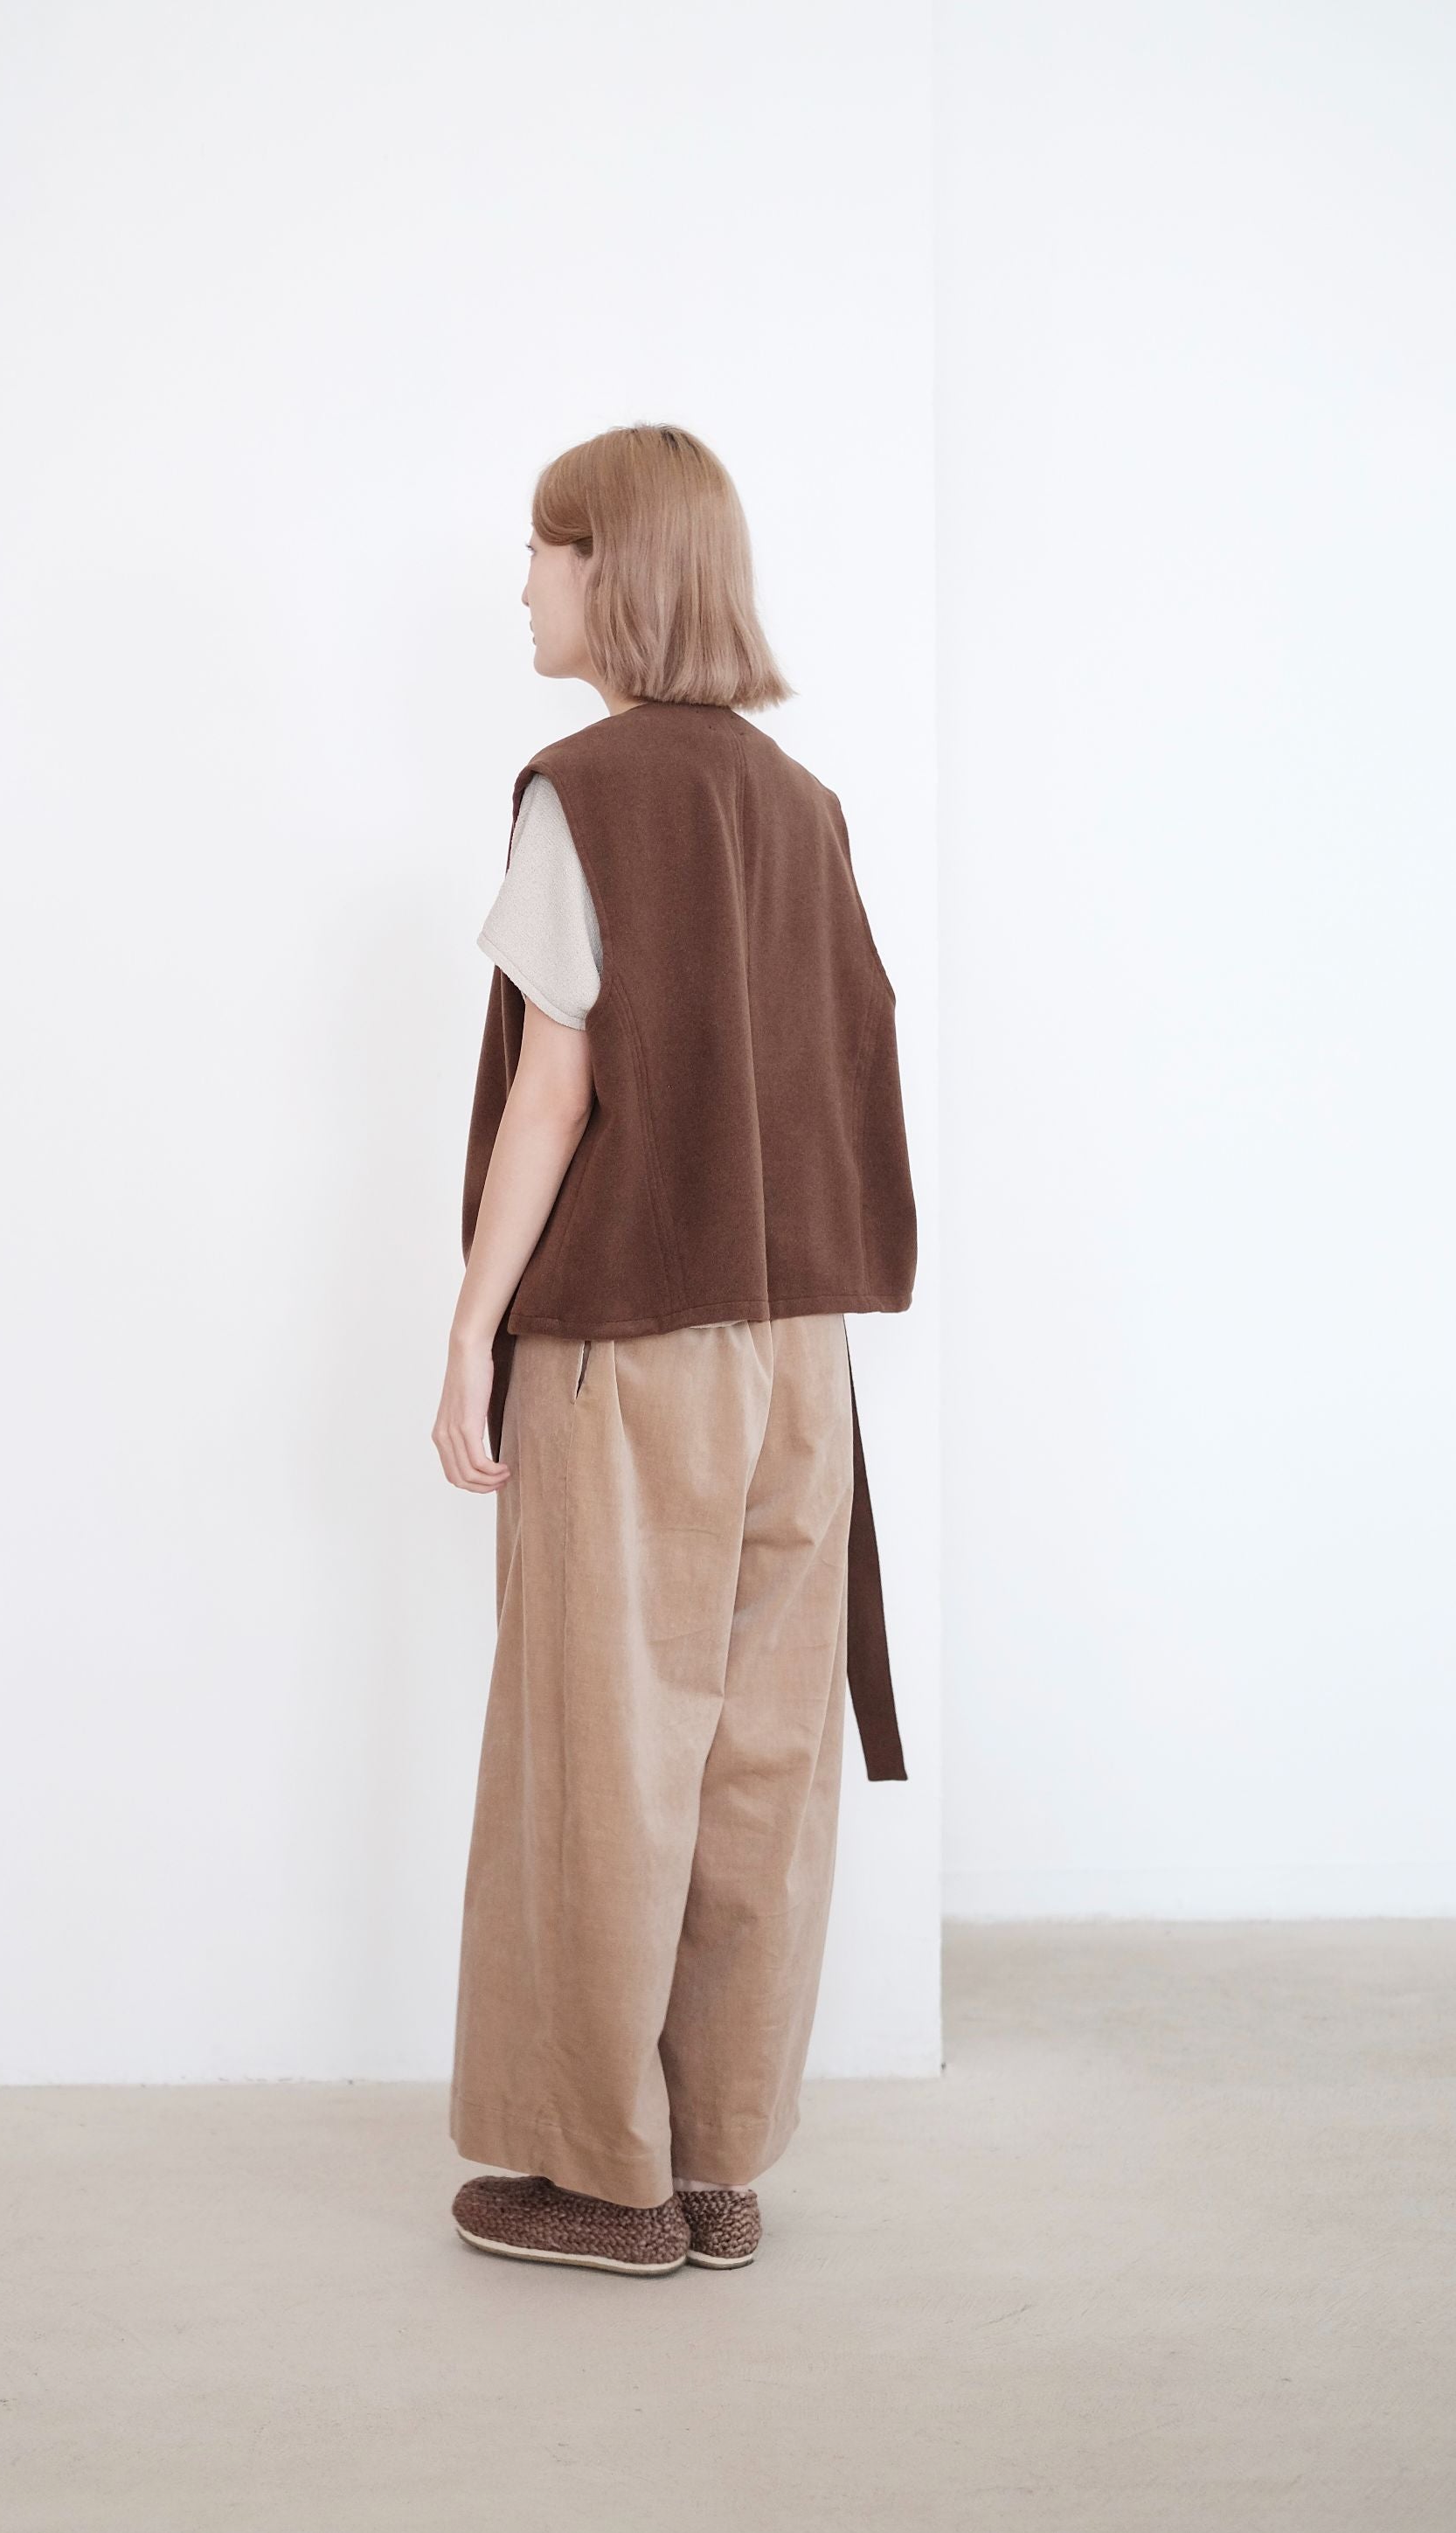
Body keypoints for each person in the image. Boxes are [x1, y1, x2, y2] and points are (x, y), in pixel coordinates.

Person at [433, 423, 917, 2278]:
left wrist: (468, 1331)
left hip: (630, 1344)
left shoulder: (584, 790)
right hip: (799, 1355)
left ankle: (600, 2179)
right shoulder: (803, 803)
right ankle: (717, 2163)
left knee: (603, 1752)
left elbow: (553, 1097)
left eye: (541, 550)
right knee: (758, 1758)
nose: (521, 584)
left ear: (608, 569)